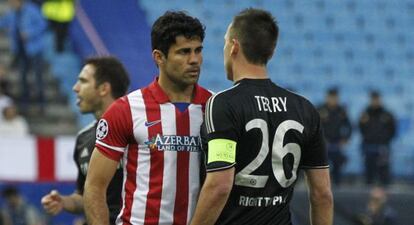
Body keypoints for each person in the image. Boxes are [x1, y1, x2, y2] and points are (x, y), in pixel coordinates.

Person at [190, 8, 333, 225]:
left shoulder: (223, 104)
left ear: (234, 47)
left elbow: (219, 186)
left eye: (225, 42)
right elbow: (322, 194)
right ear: (272, 52)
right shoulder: (304, 109)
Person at [83, 11, 211, 225]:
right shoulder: (126, 109)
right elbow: (95, 186)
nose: (194, 60)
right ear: (159, 57)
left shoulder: (215, 108)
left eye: (198, 50)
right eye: (184, 52)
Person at [40, 56, 130, 224]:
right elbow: (86, 196)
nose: (75, 88)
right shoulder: (84, 138)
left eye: (83, 81)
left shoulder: (137, 132)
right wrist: (65, 202)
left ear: (103, 88)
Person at [0, 0, 47, 108]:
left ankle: (41, 101)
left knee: (37, 75)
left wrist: (30, 34)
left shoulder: (32, 10)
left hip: (34, 49)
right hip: (20, 50)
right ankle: (25, 99)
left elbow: (43, 25)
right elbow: (4, 22)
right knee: (23, 75)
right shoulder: (12, 13)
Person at [359, 91, 396, 186]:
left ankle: (386, 195)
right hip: (368, 146)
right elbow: (360, 128)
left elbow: (393, 130)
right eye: (373, 99)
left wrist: (385, 141)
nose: (375, 101)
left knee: (384, 174)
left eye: (377, 99)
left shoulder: (387, 114)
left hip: (382, 147)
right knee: (369, 174)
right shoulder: (365, 114)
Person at [317, 87, 352, 186]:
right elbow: (312, 126)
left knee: (337, 167)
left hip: (337, 143)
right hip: (323, 144)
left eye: (335, 97)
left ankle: (337, 188)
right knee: (321, 168)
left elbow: (349, 126)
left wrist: (345, 139)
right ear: (327, 97)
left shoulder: (341, 110)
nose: (333, 100)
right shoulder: (320, 109)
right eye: (331, 97)